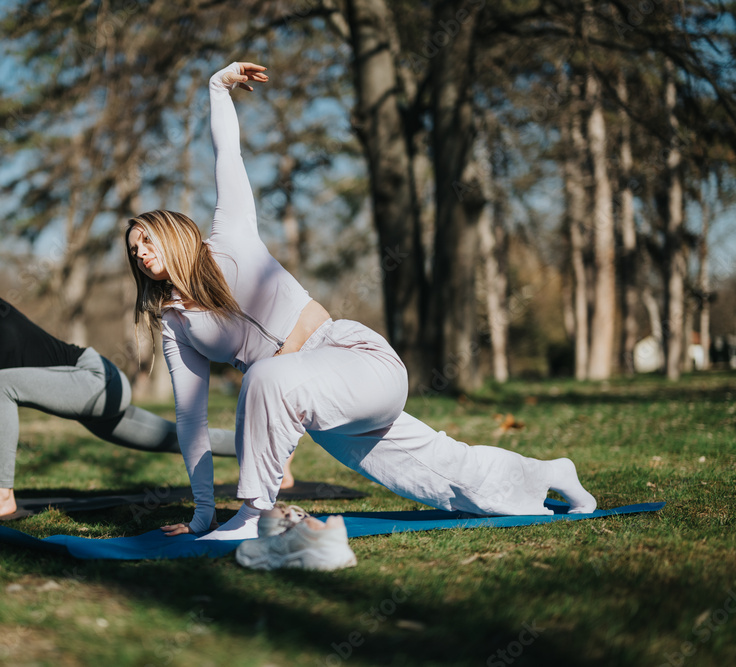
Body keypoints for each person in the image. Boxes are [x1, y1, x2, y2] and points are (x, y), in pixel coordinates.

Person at [123, 61, 597, 547]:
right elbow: (191, 419)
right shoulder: (176, 325)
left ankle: (253, 515)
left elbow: (228, 154)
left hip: (354, 361)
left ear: (173, 231)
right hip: (315, 405)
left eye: (145, 239)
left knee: (262, 377)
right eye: (133, 249)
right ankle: (549, 474)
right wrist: (203, 515)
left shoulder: (231, 236)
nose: (139, 253)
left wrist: (217, 89)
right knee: (446, 472)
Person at [0, 160, 248, 523]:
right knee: (170, 439)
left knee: (0, 381)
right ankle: (266, 459)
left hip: (96, 377)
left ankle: (2, 495)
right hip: (90, 408)